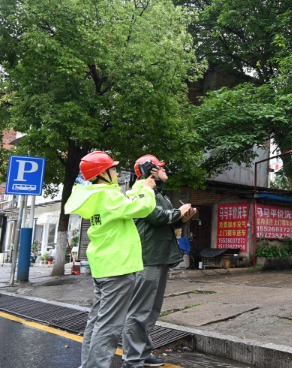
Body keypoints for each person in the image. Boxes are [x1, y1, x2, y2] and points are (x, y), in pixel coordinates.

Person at [65, 151, 156, 368]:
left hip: (104, 266)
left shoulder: (96, 195)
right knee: (109, 326)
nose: (116, 172)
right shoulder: (108, 196)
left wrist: (141, 185)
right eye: (113, 169)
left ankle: (88, 365)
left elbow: (127, 201)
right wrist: (148, 190)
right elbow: (142, 206)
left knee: (97, 321)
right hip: (118, 267)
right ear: (103, 174)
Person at [122, 155, 196, 368]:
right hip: (147, 256)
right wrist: (177, 212)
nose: (166, 170)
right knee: (139, 310)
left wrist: (181, 218)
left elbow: (164, 223)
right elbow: (154, 216)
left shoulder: (157, 192)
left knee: (152, 310)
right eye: (162, 167)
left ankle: (142, 353)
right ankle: (132, 359)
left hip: (160, 255)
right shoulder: (139, 189)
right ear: (150, 169)